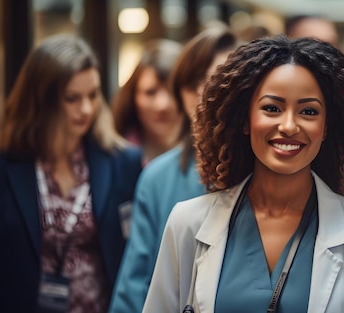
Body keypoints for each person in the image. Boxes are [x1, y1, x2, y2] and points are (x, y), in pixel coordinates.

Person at [143, 36, 344, 313]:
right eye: (272, 108)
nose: (289, 125)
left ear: (327, 127)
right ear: (245, 120)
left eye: (308, 111)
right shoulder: (188, 224)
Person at [0, 34, 143, 313]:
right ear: (40, 100)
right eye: (72, 98)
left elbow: (137, 261)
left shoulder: (123, 163)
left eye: (93, 95)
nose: (86, 108)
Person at [108, 26, 238, 313]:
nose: (208, 94)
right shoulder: (157, 177)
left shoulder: (272, 170)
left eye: (220, 81)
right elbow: (134, 286)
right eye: (195, 84)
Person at [111, 39, 183, 165]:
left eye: (172, 91)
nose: (162, 105)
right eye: (150, 92)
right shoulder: (114, 158)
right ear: (133, 96)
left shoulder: (208, 156)